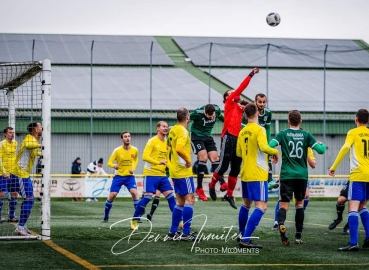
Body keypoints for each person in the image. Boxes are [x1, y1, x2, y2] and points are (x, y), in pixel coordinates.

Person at [269, 110, 326, 245]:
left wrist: (274, 152)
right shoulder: (306, 135)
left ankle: (281, 224)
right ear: (300, 121)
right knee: (299, 204)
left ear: (288, 121)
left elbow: (269, 146)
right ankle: (298, 237)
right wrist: (321, 143)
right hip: (301, 175)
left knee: (284, 204)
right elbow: (321, 150)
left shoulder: (282, 134)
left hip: (286, 175)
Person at [209, 67, 259, 209]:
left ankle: (229, 195)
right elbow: (241, 88)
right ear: (227, 97)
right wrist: (251, 74)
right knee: (224, 165)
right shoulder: (230, 102)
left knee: (236, 168)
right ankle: (212, 185)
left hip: (238, 138)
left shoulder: (239, 107)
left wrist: (244, 102)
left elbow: (252, 108)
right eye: (230, 93)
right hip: (228, 136)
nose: (234, 93)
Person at [236, 103, 279, 248]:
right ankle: (246, 239)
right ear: (258, 113)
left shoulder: (242, 131)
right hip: (258, 172)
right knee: (261, 206)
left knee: (246, 204)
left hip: (245, 172)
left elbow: (238, 153)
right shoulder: (260, 129)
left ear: (246, 116)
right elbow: (263, 147)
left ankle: (241, 234)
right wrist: (275, 152)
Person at [328, 109, 369, 251]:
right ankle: (368, 237)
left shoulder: (353, 132)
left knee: (353, 207)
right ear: (367, 120)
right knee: (363, 206)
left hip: (358, 174)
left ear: (356, 119)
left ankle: (353, 243)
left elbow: (346, 147)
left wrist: (333, 166)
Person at [131, 121, 176, 228]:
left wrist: (173, 169)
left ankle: (179, 221)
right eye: (163, 126)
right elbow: (144, 157)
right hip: (150, 174)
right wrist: (157, 162)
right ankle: (134, 219)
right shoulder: (152, 141)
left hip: (162, 175)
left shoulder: (167, 143)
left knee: (171, 197)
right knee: (147, 197)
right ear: (158, 128)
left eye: (166, 126)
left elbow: (167, 160)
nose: (166, 128)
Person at [167, 107, 196, 241]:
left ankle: (173, 232)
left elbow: (168, 146)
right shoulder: (183, 132)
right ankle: (186, 233)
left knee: (180, 201)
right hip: (183, 171)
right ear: (187, 118)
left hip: (174, 170)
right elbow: (178, 148)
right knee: (190, 200)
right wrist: (188, 160)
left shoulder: (173, 130)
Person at [9, 122, 42, 236]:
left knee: (28, 199)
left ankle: (21, 225)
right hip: (19, 174)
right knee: (29, 199)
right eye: (40, 126)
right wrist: (40, 146)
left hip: (22, 174)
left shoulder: (33, 140)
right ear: (36, 130)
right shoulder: (29, 139)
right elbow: (28, 145)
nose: (42, 128)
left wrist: (40, 153)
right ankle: (20, 226)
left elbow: (31, 150)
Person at [272, 147, 316, 230]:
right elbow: (283, 163)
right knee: (283, 199)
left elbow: (313, 164)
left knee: (306, 196)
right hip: (288, 175)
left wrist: (306, 152)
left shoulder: (307, 146)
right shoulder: (288, 144)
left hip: (301, 175)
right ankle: (277, 222)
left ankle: (299, 220)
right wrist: (280, 175)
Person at [102, 131, 139, 230]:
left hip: (129, 177)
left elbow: (136, 160)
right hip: (118, 176)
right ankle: (106, 216)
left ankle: (137, 217)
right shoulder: (117, 150)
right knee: (112, 195)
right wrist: (114, 165)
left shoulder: (135, 150)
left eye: (129, 136)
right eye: (125, 137)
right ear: (122, 139)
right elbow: (109, 162)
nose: (127, 138)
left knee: (135, 193)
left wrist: (133, 168)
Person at [190, 104, 227, 201]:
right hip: (196, 137)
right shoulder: (197, 113)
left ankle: (222, 182)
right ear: (204, 112)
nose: (211, 117)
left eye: (212, 115)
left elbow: (225, 119)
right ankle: (199, 188)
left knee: (215, 159)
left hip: (208, 137)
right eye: (208, 116)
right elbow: (185, 119)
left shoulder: (217, 110)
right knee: (203, 158)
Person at [241, 93, 273, 181]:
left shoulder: (268, 113)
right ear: (255, 102)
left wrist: (268, 144)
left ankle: (269, 179)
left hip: (262, 141)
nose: (262, 104)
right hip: (251, 142)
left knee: (266, 159)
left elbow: (268, 130)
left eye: (264, 102)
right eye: (260, 102)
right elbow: (244, 130)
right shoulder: (248, 112)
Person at [0, 127, 18, 223]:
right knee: (2, 194)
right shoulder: (1, 144)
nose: (12, 134)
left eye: (13, 132)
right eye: (10, 132)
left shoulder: (15, 143)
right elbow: (0, 159)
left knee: (14, 194)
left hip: (13, 173)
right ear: (5, 134)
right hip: (3, 173)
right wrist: (4, 172)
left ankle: (11, 216)